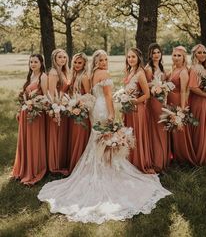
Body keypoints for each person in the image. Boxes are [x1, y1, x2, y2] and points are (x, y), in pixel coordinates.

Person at [38, 49, 171, 224]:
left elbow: (92, 94)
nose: (104, 61)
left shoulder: (92, 74)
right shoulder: (104, 73)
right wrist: (111, 114)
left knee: (98, 140)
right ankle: (107, 168)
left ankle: (100, 164)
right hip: (102, 109)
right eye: (101, 59)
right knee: (105, 139)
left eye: (106, 59)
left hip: (94, 110)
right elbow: (108, 96)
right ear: (97, 61)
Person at [12, 54, 47, 185]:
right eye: (31, 62)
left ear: (41, 63)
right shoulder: (30, 76)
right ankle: (22, 169)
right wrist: (20, 109)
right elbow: (25, 96)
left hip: (36, 115)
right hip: (25, 113)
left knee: (34, 142)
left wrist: (35, 104)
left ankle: (34, 170)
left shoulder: (43, 77)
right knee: (24, 142)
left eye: (35, 62)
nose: (33, 64)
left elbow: (46, 97)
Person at [123, 47, 154, 173]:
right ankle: (130, 161)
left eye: (133, 57)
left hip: (137, 108)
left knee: (137, 135)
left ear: (138, 58)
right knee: (129, 135)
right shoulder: (130, 71)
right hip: (129, 108)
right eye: (129, 57)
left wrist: (134, 101)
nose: (130, 59)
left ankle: (139, 162)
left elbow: (147, 94)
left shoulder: (140, 73)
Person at [167, 46, 196, 165]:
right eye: (174, 55)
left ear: (184, 57)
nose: (176, 57)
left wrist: (182, 109)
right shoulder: (173, 69)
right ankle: (174, 155)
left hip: (179, 102)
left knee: (179, 130)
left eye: (179, 55)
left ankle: (183, 157)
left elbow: (184, 91)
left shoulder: (183, 71)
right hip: (170, 102)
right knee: (172, 129)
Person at [145, 43, 170, 173]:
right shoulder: (149, 69)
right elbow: (147, 87)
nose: (156, 55)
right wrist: (156, 89)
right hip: (154, 101)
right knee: (157, 129)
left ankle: (164, 159)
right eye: (154, 52)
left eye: (158, 52)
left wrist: (165, 88)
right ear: (150, 54)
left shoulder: (161, 67)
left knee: (163, 128)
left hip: (163, 101)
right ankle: (157, 162)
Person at [47, 48, 70, 175]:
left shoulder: (64, 71)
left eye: (64, 57)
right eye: (59, 57)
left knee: (62, 136)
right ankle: (54, 165)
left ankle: (62, 161)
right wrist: (55, 110)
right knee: (56, 136)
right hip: (57, 108)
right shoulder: (54, 72)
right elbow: (51, 93)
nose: (62, 59)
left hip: (64, 107)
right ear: (55, 59)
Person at [67, 53, 91, 173]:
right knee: (74, 137)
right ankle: (74, 163)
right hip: (73, 110)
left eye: (79, 63)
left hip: (81, 112)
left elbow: (88, 95)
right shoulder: (74, 75)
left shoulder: (84, 77)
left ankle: (80, 166)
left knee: (79, 137)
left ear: (84, 64)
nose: (77, 65)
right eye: (75, 62)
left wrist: (80, 105)